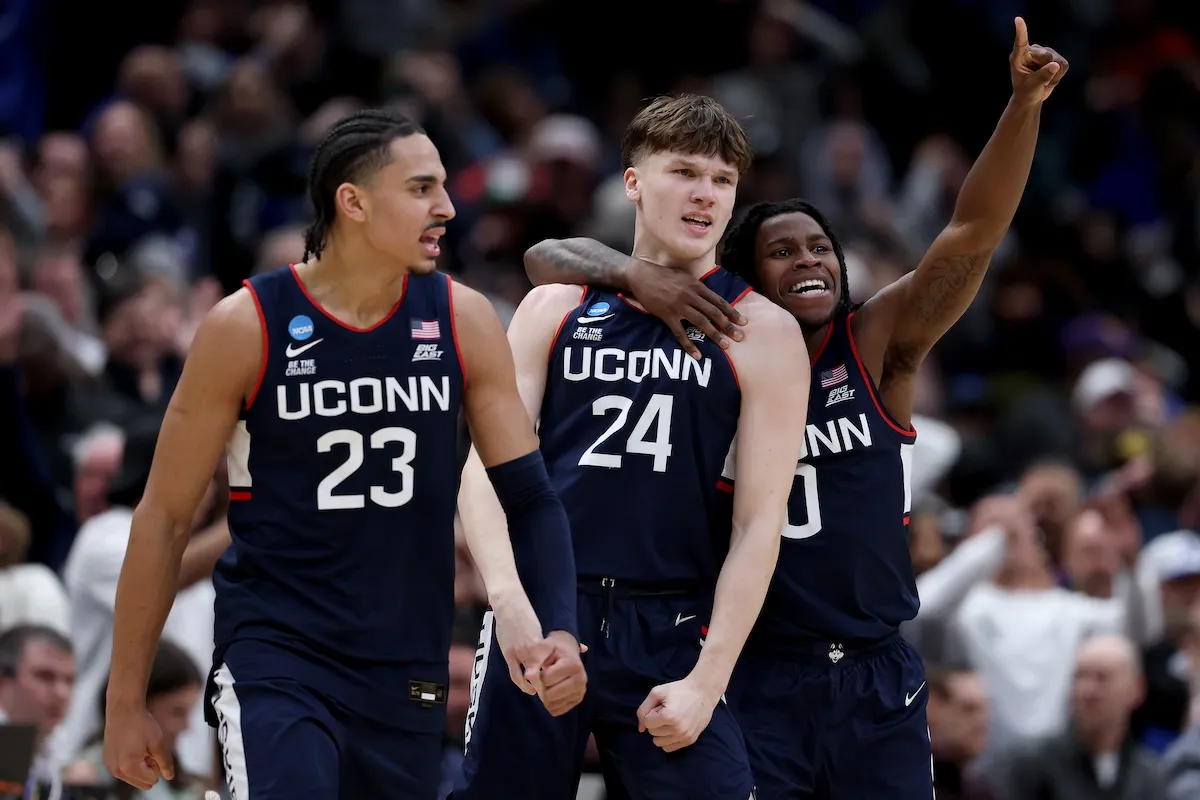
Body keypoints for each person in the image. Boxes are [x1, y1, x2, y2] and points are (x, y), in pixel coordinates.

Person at [524, 19, 1068, 799]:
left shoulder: (877, 346)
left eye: (820, 247)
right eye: (783, 251)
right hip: (754, 667)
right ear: (743, 277)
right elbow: (548, 259)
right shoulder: (704, 343)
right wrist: (639, 277)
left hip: (876, 669)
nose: (809, 259)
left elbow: (972, 233)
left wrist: (1023, 106)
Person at [102, 108, 586, 800]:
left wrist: (560, 629)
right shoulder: (247, 325)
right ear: (352, 202)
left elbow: (532, 498)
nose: (447, 207)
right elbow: (164, 519)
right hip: (279, 657)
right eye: (421, 189)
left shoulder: (461, 317)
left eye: (444, 187)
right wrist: (125, 702)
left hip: (406, 664)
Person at [454, 94, 810, 800]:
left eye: (722, 180)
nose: (704, 193)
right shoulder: (557, 306)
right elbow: (483, 470)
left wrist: (708, 683)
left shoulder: (762, 330)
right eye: (684, 171)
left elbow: (760, 526)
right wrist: (512, 607)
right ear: (634, 182)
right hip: (547, 604)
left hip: (672, 619)